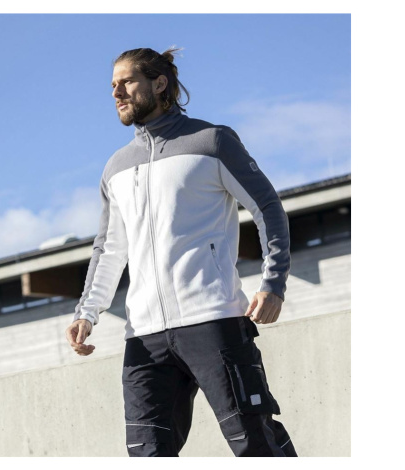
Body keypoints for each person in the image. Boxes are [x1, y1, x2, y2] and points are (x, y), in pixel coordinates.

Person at [65, 47, 297, 457]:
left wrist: (273, 283)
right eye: (113, 85)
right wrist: (87, 312)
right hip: (144, 336)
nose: (116, 92)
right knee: (147, 454)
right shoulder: (116, 167)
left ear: (160, 84)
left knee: (254, 444)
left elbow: (268, 208)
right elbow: (109, 249)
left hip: (213, 320)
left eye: (127, 82)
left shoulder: (212, 142)